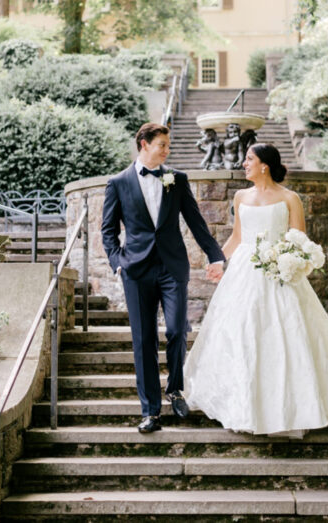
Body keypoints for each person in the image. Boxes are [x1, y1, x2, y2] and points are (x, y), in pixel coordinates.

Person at [183, 142, 328, 433]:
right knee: (242, 331)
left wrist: (285, 260)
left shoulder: (289, 198)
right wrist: (219, 261)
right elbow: (238, 237)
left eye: (248, 159)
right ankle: (243, 400)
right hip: (245, 271)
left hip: (277, 271)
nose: (244, 164)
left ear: (264, 165)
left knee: (286, 331)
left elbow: (299, 240)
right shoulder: (241, 196)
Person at [101, 122, 225, 433]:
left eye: (167, 146)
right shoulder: (118, 183)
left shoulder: (176, 180)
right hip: (136, 270)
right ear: (144, 144)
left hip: (172, 267)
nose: (167, 151)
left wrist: (216, 255)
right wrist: (118, 262)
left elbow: (196, 222)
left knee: (175, 329)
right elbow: (108, 232)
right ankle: (150, 412)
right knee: (143, 340)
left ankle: (175, 388)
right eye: (162, 145)